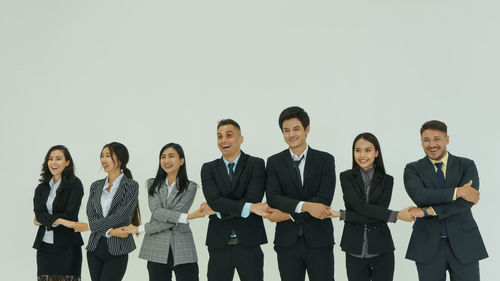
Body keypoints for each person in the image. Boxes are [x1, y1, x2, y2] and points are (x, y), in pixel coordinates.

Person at [404, 120, 488, 281]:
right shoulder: (412, 168)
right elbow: (420, 196)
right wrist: (458, 191)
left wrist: (427, 210)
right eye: (426, 140)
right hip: (427, 245)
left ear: (447, 139)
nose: (431, 144)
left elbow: (467, 201)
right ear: (421, 141)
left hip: (465, 243)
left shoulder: (466, 165)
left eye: (437, 139)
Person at [265, 106, 336, 281]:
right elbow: (273, 197)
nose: (291, 134)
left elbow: (323, 200)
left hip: (319, 240)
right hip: (287, 243)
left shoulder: (325, 160)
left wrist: (288, 215)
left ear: (307, 129)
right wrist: (305, 206)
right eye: (286, 130)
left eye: (296, 129)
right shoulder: (274, 162)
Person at [124, 143, 212, 281]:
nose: (166, 160)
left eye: (171, 156)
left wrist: (140, 228)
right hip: (156, 245)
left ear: (181, 161)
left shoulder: (190, 187)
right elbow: (157, 212)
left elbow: (169, 219)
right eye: (163, 157)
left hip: (182, 245)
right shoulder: (152, 184)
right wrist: (188, 217)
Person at [337, 133, 414, 281]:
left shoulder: (387, 180)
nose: (362, 155)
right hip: (353, 248)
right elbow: (359, 206)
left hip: (382, 249)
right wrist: (396, 215)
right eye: (357, 150)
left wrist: (344, 215)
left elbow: (378, 214)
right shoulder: (346, 177)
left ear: (376, 152)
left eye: (368, 150)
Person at [201, 119, 269, 281]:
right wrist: (249, 208)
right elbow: (214, 200)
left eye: (229, 135)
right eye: (219, 136)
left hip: (249, 243)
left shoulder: (256, 164)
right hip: (218, 245)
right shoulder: (208, 168)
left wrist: (218, 210)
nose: (223, 140)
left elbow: (253, 198)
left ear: (241, 139)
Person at [86, 142, 140, 281]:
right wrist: (110, 232)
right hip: (94, 247)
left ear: (121, 160)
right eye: (102, 156)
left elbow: (121, 215)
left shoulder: (131, 186)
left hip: (118, 248)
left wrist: (93, 227)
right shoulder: (95, 186)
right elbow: (91, 215)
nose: (103, 160)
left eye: (108, 156)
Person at [33, 145, 87, 281]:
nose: (53, 162)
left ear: (67, 162)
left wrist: (46, 219)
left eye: (58, 158)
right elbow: (39, 214)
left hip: (68, 246)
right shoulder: (42, 188)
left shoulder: (75, 184)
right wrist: (62, 221)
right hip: (44, 247)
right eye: (50, 159)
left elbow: (70, 214)